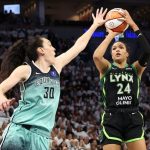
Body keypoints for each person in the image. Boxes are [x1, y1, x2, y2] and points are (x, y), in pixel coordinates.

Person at [0, 7, 108, 150]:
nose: (54, 49)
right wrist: (2, 99)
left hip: (42, 136)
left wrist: (95, 24)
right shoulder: (26, 69)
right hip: (19, 131)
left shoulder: (56, 66)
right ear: (41, 50)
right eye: (50, 45)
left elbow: (79, 45)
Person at [93, 10, 150, 150]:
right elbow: (97, 57)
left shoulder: (135, 69)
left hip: (133, 116)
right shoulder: (106, 68)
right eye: (114, 48)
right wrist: (111, 35)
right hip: (112, 117)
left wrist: (132, 24)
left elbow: (147, 51)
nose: (117, 49)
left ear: (127, 53)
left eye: (120, 47)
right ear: (111, 55)